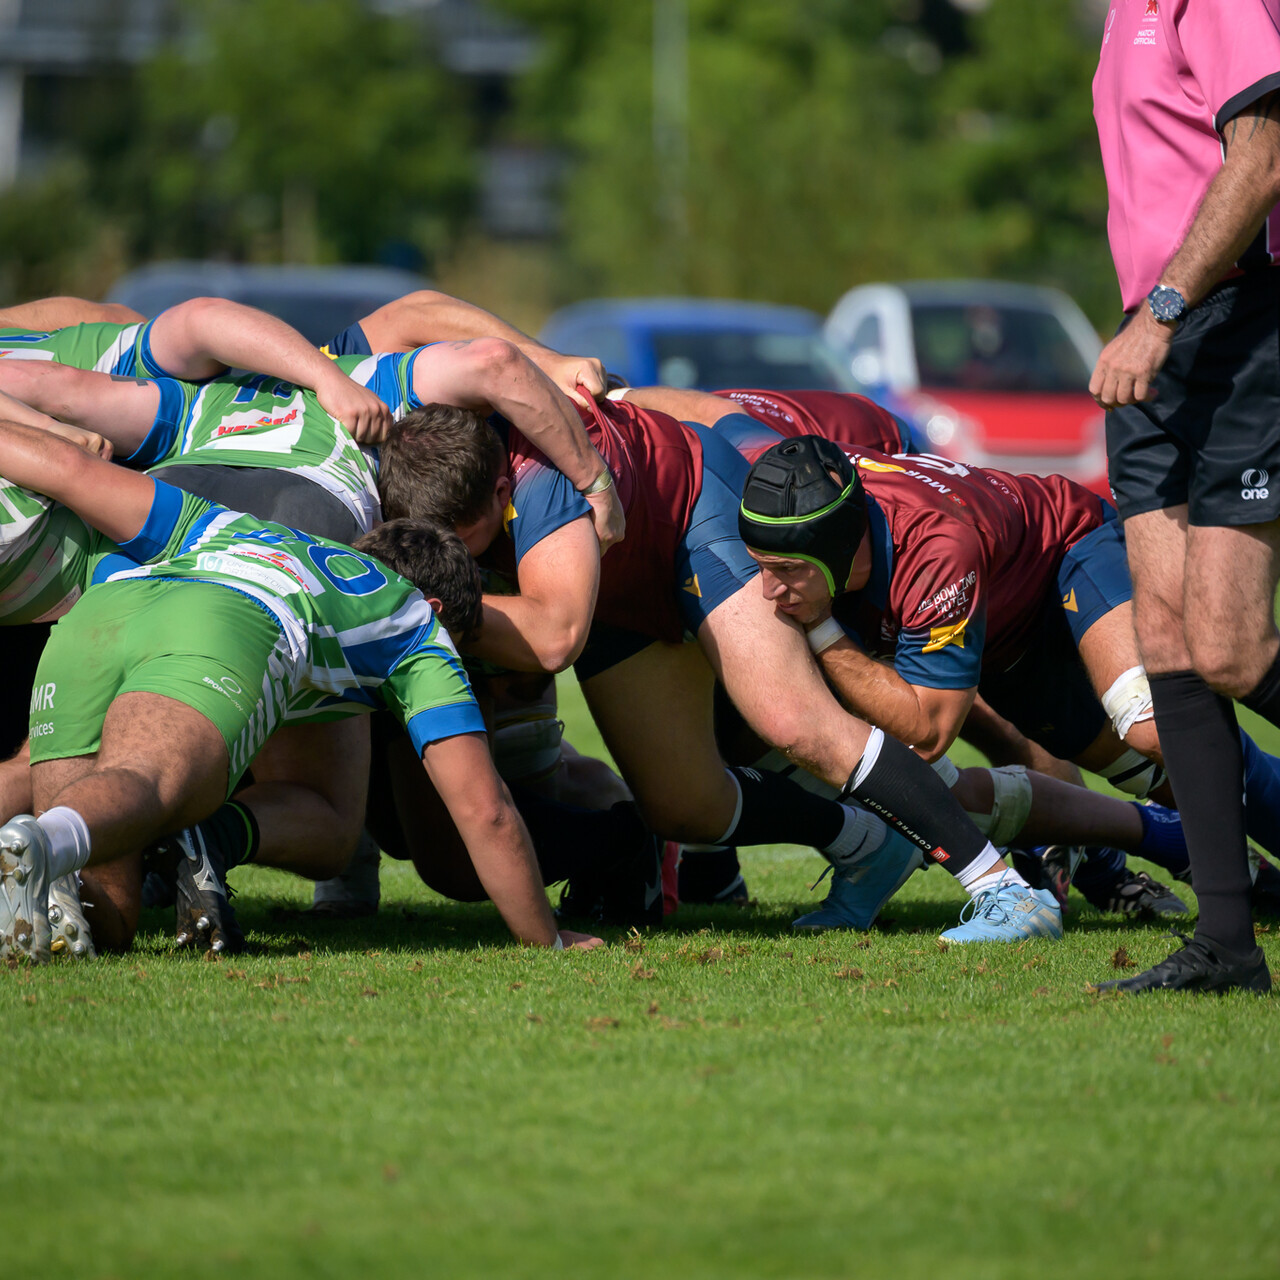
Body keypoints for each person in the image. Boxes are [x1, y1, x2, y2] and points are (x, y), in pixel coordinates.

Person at [378, 395, 1066, 944]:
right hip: (621, 586)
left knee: (795, 723)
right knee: (683, 806)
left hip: (690, 516)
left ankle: (1004, 890)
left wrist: (417, 608)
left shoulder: (539, 484)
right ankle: (868, 843)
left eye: (461, 540)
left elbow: (554, 638)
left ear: (500, 488)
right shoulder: (427, 444)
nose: (453, 556)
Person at [0, 418, 601, 962]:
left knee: (104, 919)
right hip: (219, 626)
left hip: (95, 620)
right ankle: (40, 840)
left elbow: (74, 468)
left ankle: (36, 856)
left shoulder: (245, 527)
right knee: (148, 782)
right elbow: (485, 810)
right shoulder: (417, 622)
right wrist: (546, 937)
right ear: (440, 608)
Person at [735, 437, 1280, 925]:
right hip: (1005, 645)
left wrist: (822, 627)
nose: (768, 591)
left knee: (1150, 725)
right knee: (1157, 777)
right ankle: (1241, 876)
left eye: (786, 570)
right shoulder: (779, 487)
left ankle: (1198, 898)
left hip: (1067, 547)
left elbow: (928, 732)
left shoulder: (933, 547)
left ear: (837, 544)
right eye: (761, 565)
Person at [1087, 0, 1280, 993]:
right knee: (1166, 644)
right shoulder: (1125, 9)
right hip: (1152, 334)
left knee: (1230, 649)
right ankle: (1225, 945)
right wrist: (1149, 320)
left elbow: (1263, 156)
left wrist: (1162, 312)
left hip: (1232, 322)